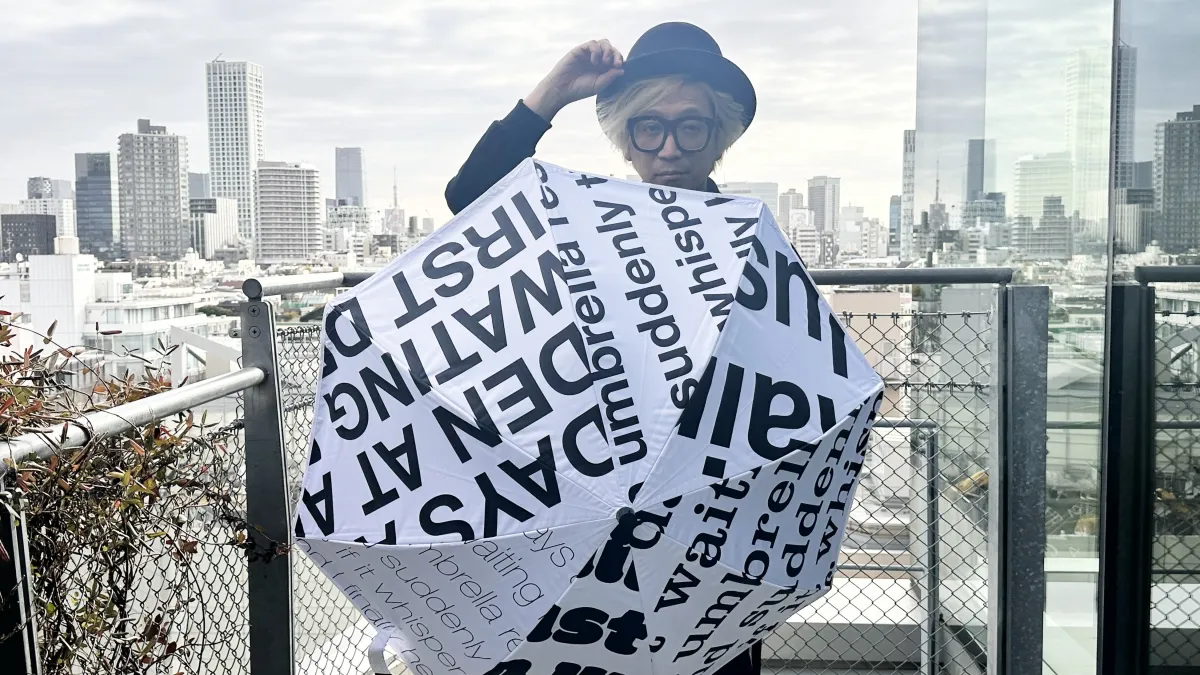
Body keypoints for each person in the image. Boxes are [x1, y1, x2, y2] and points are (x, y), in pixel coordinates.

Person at [443, 21, 763, 675]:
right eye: (649, 127)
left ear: (718, 137)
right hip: (596, 499)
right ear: (626, 139)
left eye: (691, 127)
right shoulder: (590, 221)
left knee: (711, 657)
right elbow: (470, 199)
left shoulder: (753, 242)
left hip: (711, 508)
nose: (669, 149)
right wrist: (550, 96)